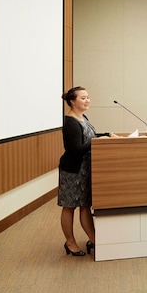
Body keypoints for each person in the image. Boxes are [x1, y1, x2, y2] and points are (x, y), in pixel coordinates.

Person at [58, 86, 116, 256]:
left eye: (88, 97)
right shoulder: (70, 122)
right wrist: (98, 141)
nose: (87, 100)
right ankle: (70, 242)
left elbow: (90, 137)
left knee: (85, 205)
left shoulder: (83, 117)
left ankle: (94, 238)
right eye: (83, 98)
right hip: (72, 170)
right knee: (69, 206)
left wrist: (107, 135)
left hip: (85, 169)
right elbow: (75, 149)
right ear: (72, 101)